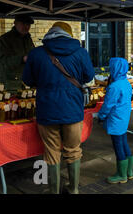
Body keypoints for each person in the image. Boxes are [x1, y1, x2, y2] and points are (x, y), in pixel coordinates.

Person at [22, 22, 95, 194]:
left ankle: (54, 191)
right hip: (72, 110)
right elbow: (89, 76)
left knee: (52, 151)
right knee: (73, 150)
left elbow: (28, 80)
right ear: (68, 34)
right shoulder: (80, 52)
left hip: (47, 110)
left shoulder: (36, 53)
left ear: (50, 33)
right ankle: (74, 189)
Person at [98, 57, 133, 184]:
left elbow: (108, 105)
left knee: (118, 146)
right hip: (124, 118)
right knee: (124, 143)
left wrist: (101, 116)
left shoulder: (114, 86)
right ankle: (129, 172)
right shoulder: (126, 83)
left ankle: (121, 175)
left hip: (115, 120)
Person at [0, 15, 35, 91]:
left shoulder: (28, 39)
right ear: (15, 23)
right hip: (10, 85)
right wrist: (22, 59)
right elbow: (2, 63)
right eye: (23, 24)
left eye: (28, 24)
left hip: (26, 83)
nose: (26, 27)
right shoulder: (3, 40)